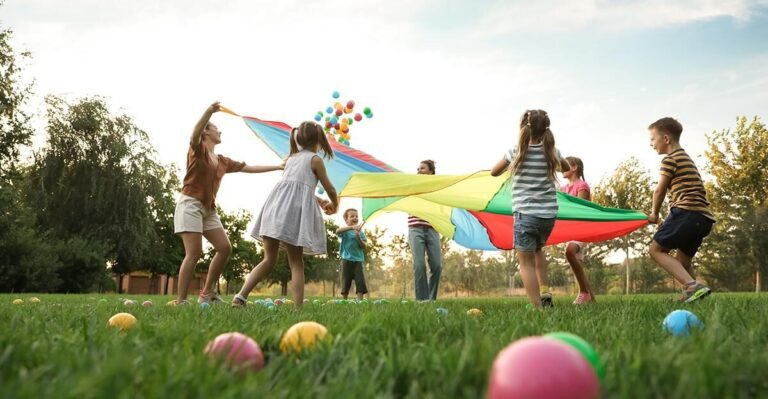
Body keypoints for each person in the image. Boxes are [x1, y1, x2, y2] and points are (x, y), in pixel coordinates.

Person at [172, 101, 283, 305]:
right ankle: (181, 300)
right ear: (206, 132)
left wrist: (277, 167)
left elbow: (249, 168)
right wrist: (209, 112)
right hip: (190, 205)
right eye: (216, 129)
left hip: (208, 209)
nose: (220, 131)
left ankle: (207, 293)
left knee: (224, 247)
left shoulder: (222, 160)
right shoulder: (197, 149)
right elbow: (194, 134)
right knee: (194, 253)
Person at [232, 121, 338, 307]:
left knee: (268, 259)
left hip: (274, 210)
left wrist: (317, 200)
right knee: (296, 262)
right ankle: (298, 308)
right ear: (319, 140)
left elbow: (295, 188)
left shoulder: (290, 159)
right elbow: (328, 188)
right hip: (292, 216)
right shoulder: (315, 160)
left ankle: (240, 297)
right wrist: (335, 204)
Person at [490, 110, 570, 308]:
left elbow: (494, 172)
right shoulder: (552, 152)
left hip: (525, 214)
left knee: (525, 263)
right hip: (548, 216)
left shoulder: (516, 151)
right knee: (538, 250)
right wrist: (552, 155)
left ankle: (538, 308)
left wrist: (512, 164)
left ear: (524, 128)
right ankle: (545, 292)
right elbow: (566, 167)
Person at [647, 117, 713, 302]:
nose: (651, 144)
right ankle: (695, 296)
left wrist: (654, 214)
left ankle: (692, 286)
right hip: (703, 218)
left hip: (687, 213)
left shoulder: (670, 159)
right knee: (683, 262)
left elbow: (659, 190)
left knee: (656, 250)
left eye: (653, 139)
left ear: (666, 139)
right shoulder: (686, 158)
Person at [561, 156, 596, 304]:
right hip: (570, 230)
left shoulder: (582, 186)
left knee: (569, 252)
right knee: (577, 264)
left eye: (565, 165)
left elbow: (580, 209)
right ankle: (591, 299)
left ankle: (583, 292)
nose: (561, 168)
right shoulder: (563, 189)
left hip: (582, 228)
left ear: (574, 167)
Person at [408, 160, 443, 301]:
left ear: (431, 171)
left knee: (437, 265)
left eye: (422, 168)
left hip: (432, 229)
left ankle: (431, 299)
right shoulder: (412, 185)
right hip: (415, 229)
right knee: (419, 265)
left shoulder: (437, 188)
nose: (418, 170)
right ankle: (422, 301)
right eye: (418, 168)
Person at [337, 209, 369, 301]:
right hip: (346, 260)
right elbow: (337, 231)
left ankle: (360, 300)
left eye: (356, 216)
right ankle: (344, 300)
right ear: (346, 220)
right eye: (352, 216)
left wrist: (358, 237)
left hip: (358, 261)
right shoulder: (345, 232)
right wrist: (351, 227)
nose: (355, 217)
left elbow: (364, 246)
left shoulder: (361, 233)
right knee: (345, 280)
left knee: (360, 280)